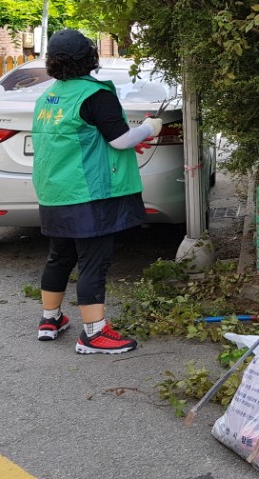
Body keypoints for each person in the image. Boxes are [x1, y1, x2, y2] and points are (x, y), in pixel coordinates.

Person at [33, 29, 163, 354]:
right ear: (90, 58)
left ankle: (50, 320)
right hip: (87, 195)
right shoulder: (95, 95)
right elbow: (119, 139)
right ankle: (93, 334)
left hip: (54, 193)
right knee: (94, 261)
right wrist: (150, 128)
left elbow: (82, 140)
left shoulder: (49, 97)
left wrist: (122, 143)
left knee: (60, 255)